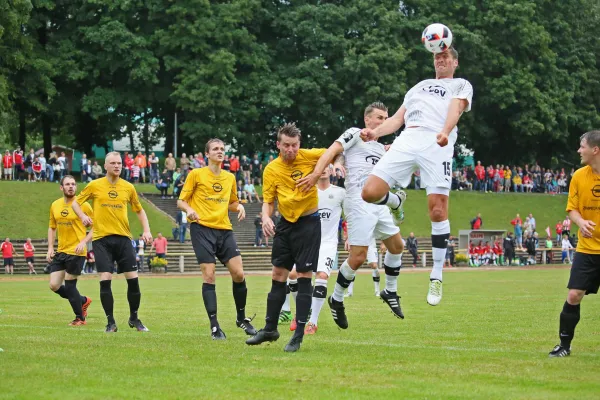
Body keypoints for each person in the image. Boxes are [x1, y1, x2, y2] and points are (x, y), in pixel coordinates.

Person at [360, 47, 473, 307]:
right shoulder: (419, 86)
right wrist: (375, 133)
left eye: (446, 58)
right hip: (408, 138)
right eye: (437, 57)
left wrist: (446, 131)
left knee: (437, 211)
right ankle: (395, 203)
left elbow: (456, 108)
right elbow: (397, 120)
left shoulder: (461, 84)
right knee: (370, 192)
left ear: (455, 62)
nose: (441, 60)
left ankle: (436, 274)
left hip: (437, 140)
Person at [295, 102, 406, 328]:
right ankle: (336, 299)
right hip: (359, 202)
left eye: (386, 118)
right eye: (379, 118)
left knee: (397, 246)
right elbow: (332, 151)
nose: (384, 122)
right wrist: (318, 173)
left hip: (379, 202)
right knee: (358, 256)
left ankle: (390, 291)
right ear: (367, 120)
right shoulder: (355, 133)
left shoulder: (380, 147)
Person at [245, 123, 327, 352]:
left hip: (309, 223)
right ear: (278, 145)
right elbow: (269, 201)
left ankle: (298, 334)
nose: (291, 150)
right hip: (285, 224)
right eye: (286, 145)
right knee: (278, 273)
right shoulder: (271, 169)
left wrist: (318, 173)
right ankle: (270, 328)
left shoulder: (309, 156)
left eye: (295, 145)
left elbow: (335, 151)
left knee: (303, 275)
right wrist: (266, 218)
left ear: (299, 144)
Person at [177, 138, 254, 340]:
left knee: (238, 274)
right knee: (209, 276)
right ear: (207, 154)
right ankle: (214, 327)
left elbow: (232, 203)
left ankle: (241, 318)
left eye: (222, 149)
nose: (220, 152)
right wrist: (190, 210)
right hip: (202, 229)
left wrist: (240, 207)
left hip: (224, 230)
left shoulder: (229, 177)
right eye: (215, 149)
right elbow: (180, 201)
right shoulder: (196, 174)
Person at [71, 152, 153, 333]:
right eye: (113, 163)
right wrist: (83, 216)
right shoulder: (95, 185)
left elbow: (139, 211)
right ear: (105, 166)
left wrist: (146, 230)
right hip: (102, 240)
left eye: (119, 163)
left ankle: (134, 317)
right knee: (105, 280)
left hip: (124, 239)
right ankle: (111, 322)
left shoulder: (128, 187)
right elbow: (76, 203)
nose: (117, 166)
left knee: (133, 281)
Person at [549, 131, 600, 357]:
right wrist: (581, 221)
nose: (579, 151)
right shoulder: (579, 176)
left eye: (582, 147)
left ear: (595, 149)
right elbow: (571, 209)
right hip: (587, 249)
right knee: (573, 296)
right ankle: (564, 346)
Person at [46, 175, 93, 325]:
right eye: (67, 184)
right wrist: (50, 248)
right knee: (54, 285)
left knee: (70, 284)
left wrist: (84, 242)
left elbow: (96, 227)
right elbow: (52, 227)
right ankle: (83, 301)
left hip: (76, 251)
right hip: (61, 251)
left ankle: (80, 318)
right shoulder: (55, 205)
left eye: (73, 184)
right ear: (62, 187)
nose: (71, 186)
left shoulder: (84, 205)